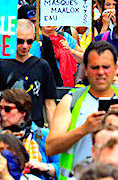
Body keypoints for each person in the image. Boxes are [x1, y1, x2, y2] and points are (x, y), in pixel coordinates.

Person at [47, 41, 118, 180]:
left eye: (106, 67)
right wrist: (84, 129)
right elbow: (50, 147)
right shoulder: (71, 100)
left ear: (116, 69)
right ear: (85, 70)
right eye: (94, 67)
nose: (101, 72)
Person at [0, 19, 57, 126]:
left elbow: (50, 103)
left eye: (29, 42)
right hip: (7, 126)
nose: (24, 46)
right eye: (20, 41)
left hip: (35, 126)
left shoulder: (42, 66)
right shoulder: (1, 64)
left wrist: (54, 133)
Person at [0, 89, 58, 176]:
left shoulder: (43, 135)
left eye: (7, 109)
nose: (2, 113)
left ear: (23, 112)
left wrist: (44, 167)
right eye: (0, 108)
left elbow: (61, 167)